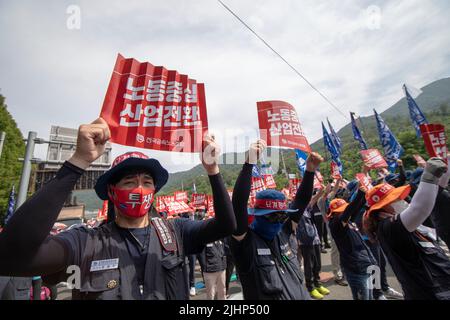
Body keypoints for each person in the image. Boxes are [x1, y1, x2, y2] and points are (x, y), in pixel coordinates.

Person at [0, 118, 236, 300]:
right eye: (129, 182)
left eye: (146, 182)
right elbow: (11, 257)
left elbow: (227, 225)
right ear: (112, 192)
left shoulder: (177, 232)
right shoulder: (85, 243)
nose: (139, 189)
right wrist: (78, 161)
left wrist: (213, 170)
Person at [231, 139, 323, 300]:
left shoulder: (285, 232)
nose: (278, 221)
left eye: (282, 216)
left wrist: (309, 171)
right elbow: (238, 204)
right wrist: (249, 162)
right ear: (258, 214)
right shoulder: (245, 241)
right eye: (272, 215)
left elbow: (300, 202)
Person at [363, 156, 450, 300]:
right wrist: (428, 175)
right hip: (431, 294)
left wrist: (445, 163)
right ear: (384, 206)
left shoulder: (396, 222)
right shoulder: (387, 228)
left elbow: (436, 191)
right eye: (396, 199)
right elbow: (419, 209)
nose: (401, 200)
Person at [327, 185, 377, 300]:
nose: (345, 210)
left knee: (370, 297)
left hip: (365, 265)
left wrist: (365, 195)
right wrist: (359, 193)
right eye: (342, 210)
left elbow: (356, 208)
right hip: (356, 269)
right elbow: (350, 209)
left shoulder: (348, 221)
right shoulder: (336, 224)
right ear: (336, 213)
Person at [297, 189, 330, 299]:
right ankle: (310, 287)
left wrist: (321, 190)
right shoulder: (296, 209)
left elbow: (314, 199)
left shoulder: (307, 207)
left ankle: (317, 284)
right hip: (305, 242)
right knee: (309, 265)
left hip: (315, 239)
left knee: (317, 264)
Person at [198, 236, 227, 300]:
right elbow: (201, 255)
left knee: (222, 291)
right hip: (209, 271)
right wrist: (205, 267)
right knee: (210, 294)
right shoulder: (204, 239)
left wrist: (224, 265)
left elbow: (225, 250)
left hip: (221, 269)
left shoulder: (220, 239)